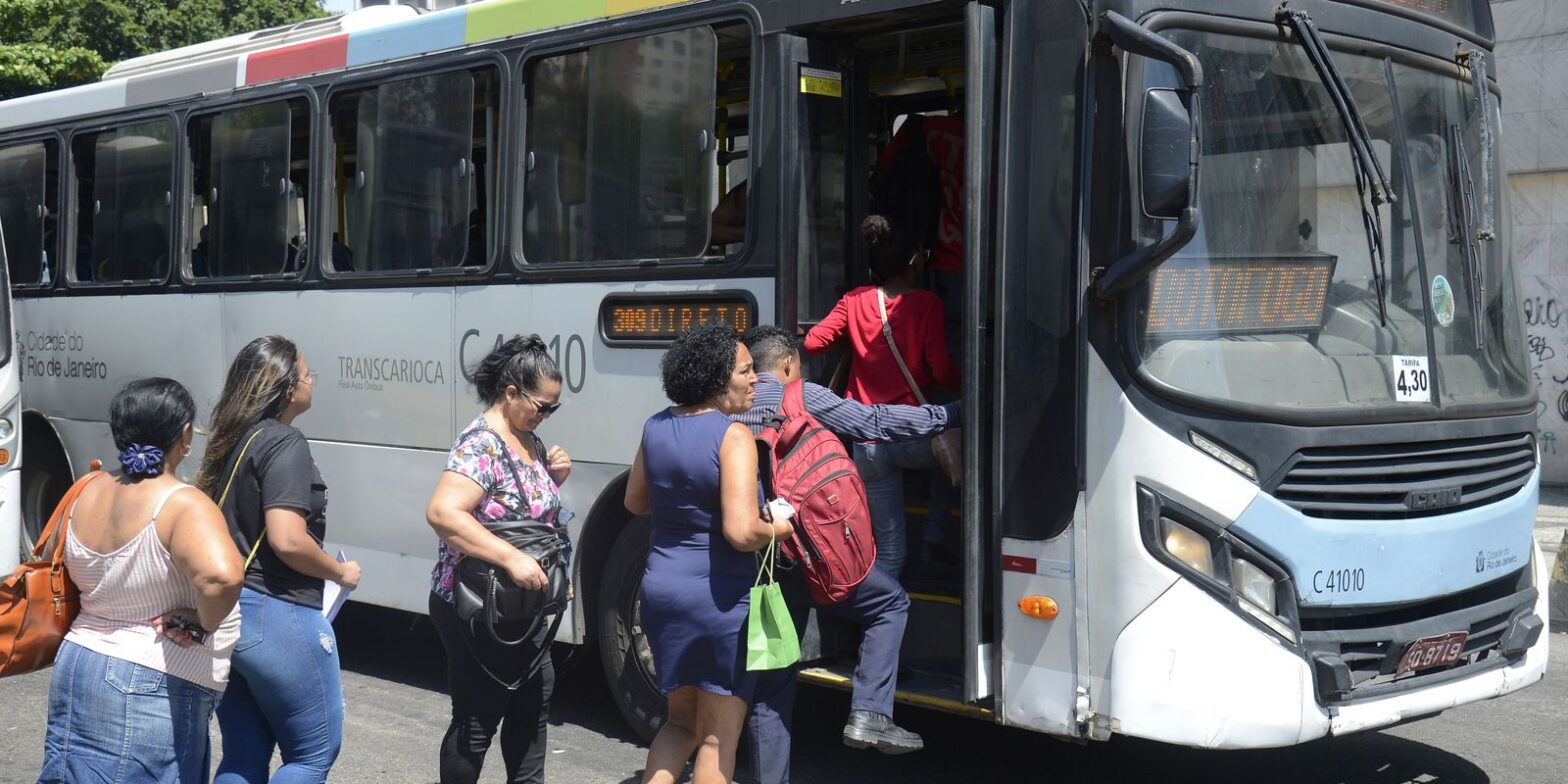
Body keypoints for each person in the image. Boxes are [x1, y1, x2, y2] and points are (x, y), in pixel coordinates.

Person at [736, 325, 959, 782]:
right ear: (786, 365)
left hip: (763, 563)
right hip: (817, 557)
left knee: (773, 685)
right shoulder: (801, 395)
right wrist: (949, 413)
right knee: (889, 603)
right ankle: (870, 713)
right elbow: (875, 423)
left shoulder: (731, 409)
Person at [38, 378, 244, 784]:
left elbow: (48, 557)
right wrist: (201, 622)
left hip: (79, 663)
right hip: (147, 678)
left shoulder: (86, 489)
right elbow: (222, 576)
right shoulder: (182, 503)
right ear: (184, 434)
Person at [624, 324, 795, 784]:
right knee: (718, 741)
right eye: (745, 371)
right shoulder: (733, 436)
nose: (755, 379)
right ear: (717, 380)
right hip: (719, 602)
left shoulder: (656, 426)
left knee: (680, 723)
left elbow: (635, 502)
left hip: (662, 593)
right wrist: (778, 526)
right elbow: (741, 532)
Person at [196, 336, 361, 784]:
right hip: (279, 613)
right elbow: (288, 540)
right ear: (288, 389)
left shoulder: (235, 441)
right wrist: (340, 571)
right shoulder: (286, 442)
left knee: (243, 757)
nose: (313, 382)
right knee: (311, 755)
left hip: (231, 616)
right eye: (309, 375)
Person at [425, 335, 573, 784]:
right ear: (510, 392)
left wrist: (552, 475)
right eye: (541, 405)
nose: (545, 415)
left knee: (532, 709)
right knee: (477, 720)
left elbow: (513, 507)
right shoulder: (481, 445)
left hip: (522, 607)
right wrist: (511, 559)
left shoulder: (527, 436)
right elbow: (443, 513)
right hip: (477, 608)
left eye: (553, 408)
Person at [804, 215, 960, 579]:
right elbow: (941, 372)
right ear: (914, 262)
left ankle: (882, 617)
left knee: (889, 550)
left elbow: (812, 343)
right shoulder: (927, 305)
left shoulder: (854, 301)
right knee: (953, 449)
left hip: (867, 442)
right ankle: (936, 532)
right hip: (912, 437)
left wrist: (853, 338)